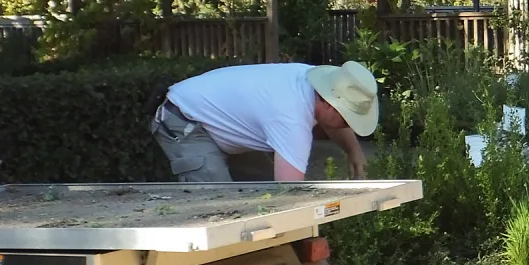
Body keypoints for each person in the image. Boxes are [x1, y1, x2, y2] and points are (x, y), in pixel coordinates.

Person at [152, 60, 378, 182]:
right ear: (329, 102)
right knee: (218, 205)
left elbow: (332, 120)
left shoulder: (317, 80)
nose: (348, 126)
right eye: (347, 119)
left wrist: (353, 151)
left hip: (219, 121)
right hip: (183, 121)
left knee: (260, 188)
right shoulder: (290, 117)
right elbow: (289, 193)